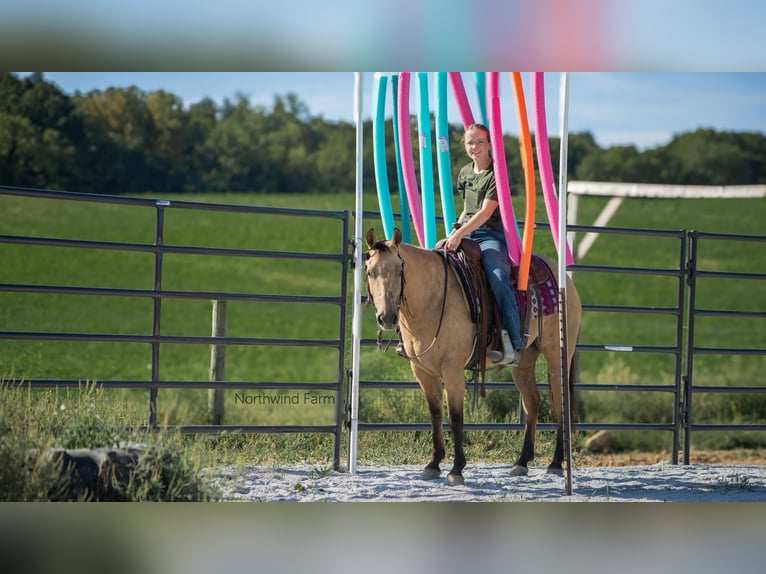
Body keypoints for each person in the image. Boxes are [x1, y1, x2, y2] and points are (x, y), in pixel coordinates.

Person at [443, 123, 523, 366]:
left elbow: (486, 213)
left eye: (479, 142)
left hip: (490, 235)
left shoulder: (496, 175)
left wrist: (462, 233)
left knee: (498, 276)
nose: (474, 147)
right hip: (466, 231)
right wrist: (453, 232)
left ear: (490, 145)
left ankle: (513, 344)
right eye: (470, 143)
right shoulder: (465, 173)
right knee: (434, 261)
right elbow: (468, 209)